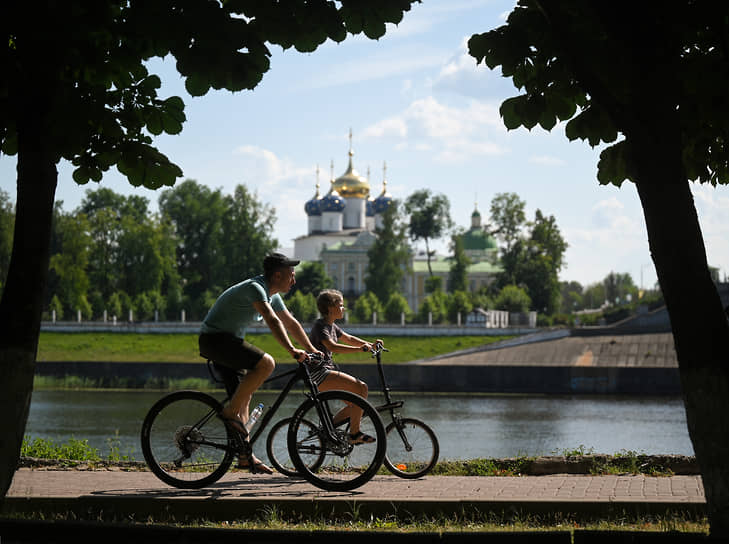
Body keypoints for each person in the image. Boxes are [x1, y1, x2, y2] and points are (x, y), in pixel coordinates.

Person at [198, 253, 321, 474]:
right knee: (266, 364)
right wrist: (292, 350)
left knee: (244, 398)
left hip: (228, 342)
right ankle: (228, 414)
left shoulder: (272, 294)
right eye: (291, 276)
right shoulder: (256, 288)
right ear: (277, 275)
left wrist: (313, 350)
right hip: (215, 340)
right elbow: (272, 320)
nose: (294, 280)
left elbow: (291, 323)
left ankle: (245, 457)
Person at [308, 289, 383, 444]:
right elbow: (333, 346)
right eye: (341, 306)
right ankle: (354, 434)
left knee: (357, 405)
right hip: (319, 374)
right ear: (330, 308)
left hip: (326, 372)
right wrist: (360, 349)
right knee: (362, 389)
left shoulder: (332, 326)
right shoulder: (320, 326)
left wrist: (370, 345)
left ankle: (327, 431)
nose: (344, 308)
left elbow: (348, 338)